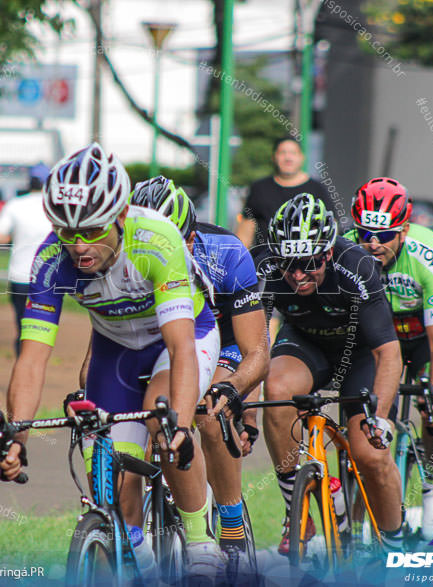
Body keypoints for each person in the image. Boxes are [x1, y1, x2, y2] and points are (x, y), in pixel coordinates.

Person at [0, 143, 227, 581]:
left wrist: (184, 424)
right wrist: (15, 434)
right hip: (115, 349)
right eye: (67, 231)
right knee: (115, 469)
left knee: (164, 417)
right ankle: (140, 561)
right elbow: (33, 359)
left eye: (91, 230)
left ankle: (200, 543)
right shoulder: (50, 260)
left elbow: (179, 349)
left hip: (184, 336)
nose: (79, 245)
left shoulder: (156, 240)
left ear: (118, 216)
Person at [130, 176, 269, 572]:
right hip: (158, 341)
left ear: (192, 237)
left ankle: (229, 523)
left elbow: (257, 353)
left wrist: (240, 398)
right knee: (141, 422)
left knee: (209, 414)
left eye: (177, 242)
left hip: (218, 337)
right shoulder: (126, 255)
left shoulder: (227, 252)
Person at [255, 193, 404, 553]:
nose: (297, 275)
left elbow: (388, 351)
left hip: (359, 355)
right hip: (306, 345)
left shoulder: (358, 264)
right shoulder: (261, 265)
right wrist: (243, 409)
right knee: (275, 389)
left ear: (328, 253)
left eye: (308, 263)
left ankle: (395, 543)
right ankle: (298, 509)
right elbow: (253, 349)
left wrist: (380, 419)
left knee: (369, 454)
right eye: (288, 264)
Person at [345, 177, 433, 540]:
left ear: (405, 230)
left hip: (429, 334)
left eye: (385, 235)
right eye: (365, 233)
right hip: (382, 339)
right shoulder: (346, 252)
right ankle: (361, 521)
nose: (374, 243)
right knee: (370, 415)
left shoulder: (429, 256)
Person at [0, 164, 53, 355]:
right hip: (48, 277)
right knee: (43, 326)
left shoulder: (15, 205)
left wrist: (15, 236)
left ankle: (22, 360)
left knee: (22, 323)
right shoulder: (54, 207)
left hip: (19, 276)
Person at [235, 137, 334, 252]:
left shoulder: (317, 189)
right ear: (274, 157)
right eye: (282, 153)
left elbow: (330, 229)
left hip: (306, 263)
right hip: (267, 261)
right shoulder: (259, 188)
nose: (288, 158)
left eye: (293, 153)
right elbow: (246, 230)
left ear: (302, 157)